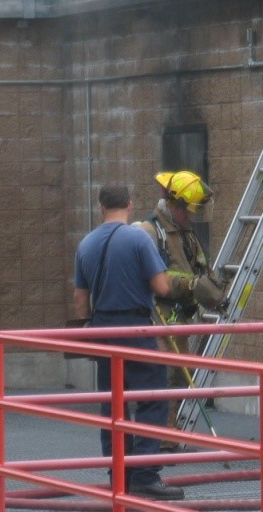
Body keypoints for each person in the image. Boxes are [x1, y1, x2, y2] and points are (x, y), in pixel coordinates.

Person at [73, 185, 184, 501]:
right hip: (135, 327)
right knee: (152, 398)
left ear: (101, 206)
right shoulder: (138, 238)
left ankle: (118, 476)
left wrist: (89, 324)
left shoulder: (86, 243)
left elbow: (80, 299)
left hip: (101, 329)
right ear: (130, 205)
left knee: (113, 405)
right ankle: (145, 475)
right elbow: (161, 287)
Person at [135, 170, 228, 450]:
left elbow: (200, 267)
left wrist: (212, 289)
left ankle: (169, 431)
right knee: (160, 376)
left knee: (179, 376)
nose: (191, 216)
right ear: (174, 204)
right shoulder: (149, 232)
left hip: (180, 319)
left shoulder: (186, 234)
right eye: (188, 210)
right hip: (158, 318)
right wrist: (189, 285)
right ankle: (157, 434)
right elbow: (151, 277)